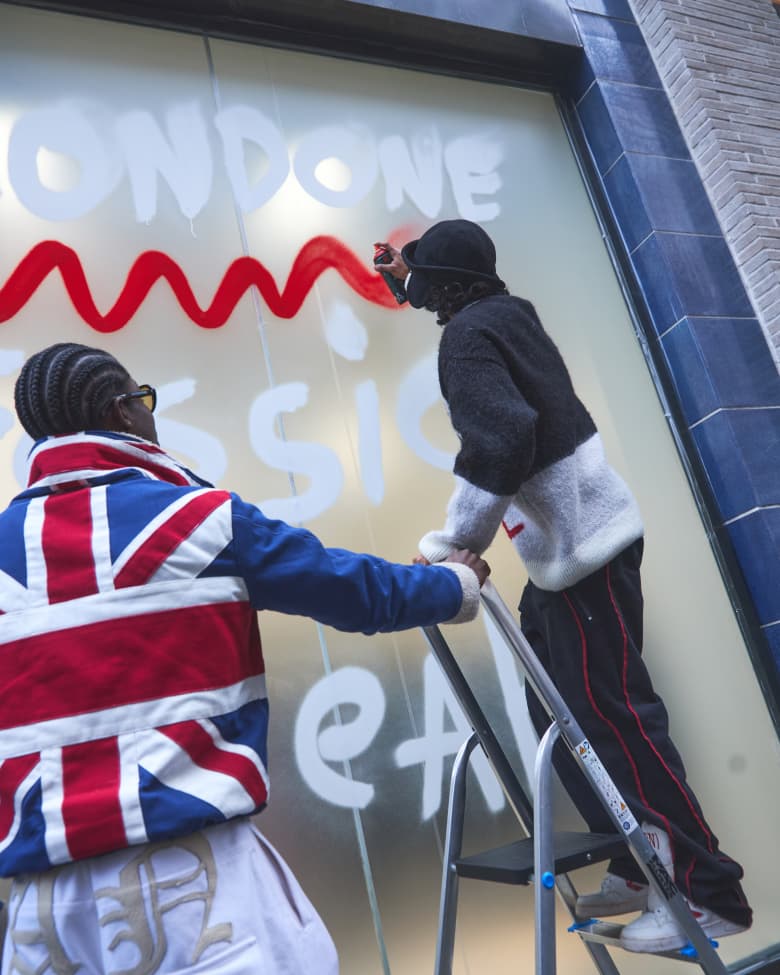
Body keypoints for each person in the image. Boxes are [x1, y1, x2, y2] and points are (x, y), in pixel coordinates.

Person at [0, 342, 490, 975]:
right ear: (122, 412)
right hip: (199, 884)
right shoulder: (200, 520)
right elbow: (353, 591)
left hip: (42, 913)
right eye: (142, 400)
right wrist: (457, 585)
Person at [373, 219, 752, 954]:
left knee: (616, 718)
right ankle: (637, 862)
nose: (403, 280)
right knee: (559, 709)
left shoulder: (468, 337)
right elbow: (514, 422)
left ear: (443, 282)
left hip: (584, 553)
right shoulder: (507, 313)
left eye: (413, 271)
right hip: (571, 556)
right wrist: (406, 268)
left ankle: (709, 892)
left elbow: (502, 438)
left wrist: (456, 545)